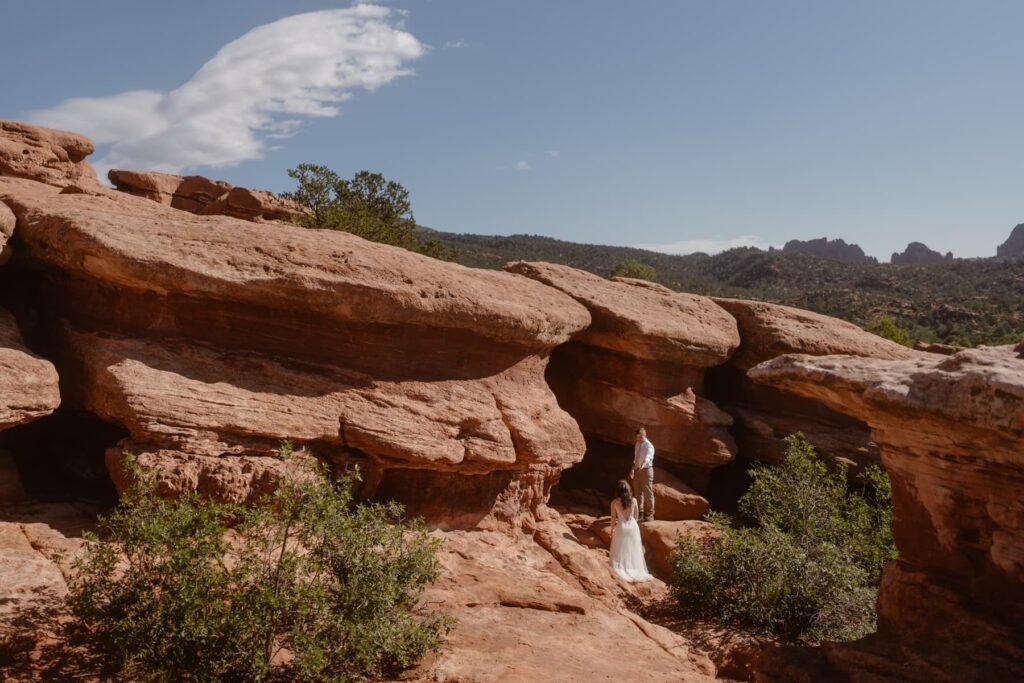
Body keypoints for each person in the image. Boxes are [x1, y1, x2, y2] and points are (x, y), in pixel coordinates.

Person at [609, 479, 652, 582]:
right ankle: (633, 567)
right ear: (628, 489)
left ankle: (622, 566)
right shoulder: (634, 500)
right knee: (633, 549)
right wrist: (631, 524)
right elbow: (636, 517)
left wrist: (612, 530)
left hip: (621, 526)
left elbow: (613, 518)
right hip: (633, 526)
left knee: (620, 548)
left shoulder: (614, 502)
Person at [630, 427, 655, 521]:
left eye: (640, 438)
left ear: (644, 436)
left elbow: (648, 458)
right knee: (637, 491)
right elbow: (636, 458)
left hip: (646, 470)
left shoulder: (649, 446)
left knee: (648, 493)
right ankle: (639, 513)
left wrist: (642, 466)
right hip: (637, 470)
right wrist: (632, 469)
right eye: (637, 438)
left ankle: (649, 514)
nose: (638, 440)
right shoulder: (637, 444)